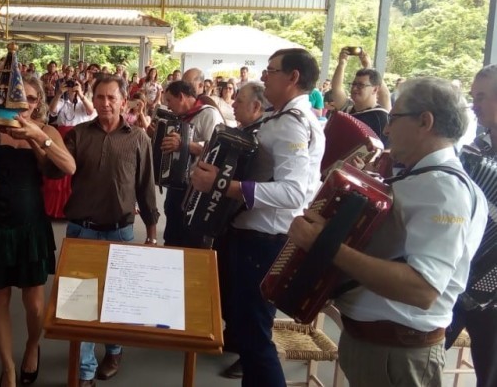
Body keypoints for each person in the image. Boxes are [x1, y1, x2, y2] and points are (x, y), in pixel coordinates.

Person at [289, 77, 487, 387]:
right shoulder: (421, 180)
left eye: (394, 119)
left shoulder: (442, 189)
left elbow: (422, 290)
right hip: (381, 346)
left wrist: (325, 244)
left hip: (397, 352)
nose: (387, 129)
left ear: (425, 121)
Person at [191, 48, 325, 385]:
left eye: (271, 70)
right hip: (252, 239)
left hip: (264, 242)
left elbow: (293, 193)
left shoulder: (292, 126)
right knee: (248, 336)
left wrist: (223, 184)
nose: (264, 77)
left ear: (293, 77)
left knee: (255, 340)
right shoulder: (281, 119)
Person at [0, 75, 75, 387]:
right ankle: (8, 367)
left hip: (30, 225)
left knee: (35, 304)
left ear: (38, 102)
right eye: (18, 98)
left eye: (30, 99)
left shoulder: (46, 130)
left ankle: (32, 345)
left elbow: (69, 167)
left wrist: (35, 136)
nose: (24, 105)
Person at [63, 75, 160, 387]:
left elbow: (146, 187)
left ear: (123, 101)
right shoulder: (78, 135)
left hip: (120, 233)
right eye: (100, 97)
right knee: (79, 304)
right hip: (82, 231)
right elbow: (54, 169)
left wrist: (152, 233)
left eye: (111, 98)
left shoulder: (138, 138)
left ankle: (115, 349)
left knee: (116, 301)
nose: (105, 103)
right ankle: (86, 371)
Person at [447, 66, 497, 387]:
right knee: (421, 355)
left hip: (493, 293)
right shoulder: (477, 147)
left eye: (480, 97)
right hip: (456, 277)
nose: (473, 104)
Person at [159, 80, 225, 247]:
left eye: (169, 100)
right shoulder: (180, 117)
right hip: (177, 186)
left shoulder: (209, 114)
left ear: (181, 97)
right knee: (172, 235)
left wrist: (185, 145)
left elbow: (216, 150)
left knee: (191, 239)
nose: (168, 105)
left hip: (197, 190)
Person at [43, 70, 96, 221]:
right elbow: (52, 111)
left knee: (77, 174)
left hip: (79, 140)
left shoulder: (84, 103)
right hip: (61, 140)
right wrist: (59, 93)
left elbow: (90, 110)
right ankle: (55, 210)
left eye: (76, 87)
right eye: (71, 87)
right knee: (59, 172)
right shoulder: (62, 102)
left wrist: (80, 94)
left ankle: (75, 209)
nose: (73, 89)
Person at [328, 48, 391, 143]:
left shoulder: (381, 116)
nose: (354, 88)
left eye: (361, 85)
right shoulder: (347, 109)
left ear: (375, 89)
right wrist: (342, 63)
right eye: (353, 84)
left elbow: (385, 95)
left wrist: (369, 67)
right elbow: (336, 87)